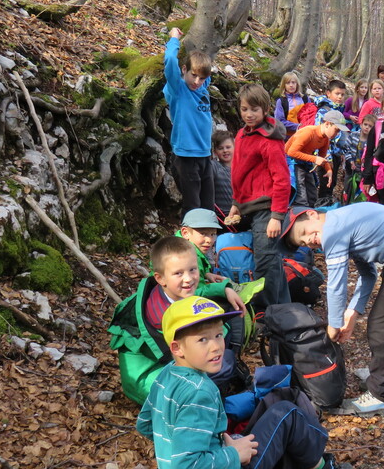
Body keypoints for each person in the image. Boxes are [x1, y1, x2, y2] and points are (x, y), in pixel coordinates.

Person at [137, 296, 354, 469]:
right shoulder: (200, 391)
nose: (216, 346)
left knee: (264, 421)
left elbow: (145, 425)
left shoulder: (166, 375)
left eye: (218, 335)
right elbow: (185, 466)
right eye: (203, 340)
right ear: (177, 348)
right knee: (286, 413)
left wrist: (210, 445)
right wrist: (233, 454)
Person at [281, 203, 384, 417]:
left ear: (312, 214)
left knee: (380, 328)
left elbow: (337, 285)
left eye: (304, 233)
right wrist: (353, 312)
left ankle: (383, 396)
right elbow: (368, 274)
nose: (309, 241)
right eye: (303, 243)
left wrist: (334, 324)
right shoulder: (343, 222)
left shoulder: (333, 230)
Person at [108, 235, 241, 405]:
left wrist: (224, 290)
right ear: (160, 278)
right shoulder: (158, 313)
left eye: (192, 269)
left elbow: (197, 294)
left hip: (164, 365)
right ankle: (199, 404)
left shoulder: (169, 291)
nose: (189, 278)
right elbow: (174, 353)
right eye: (179, 273)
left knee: (221, 334)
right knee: (224, 362)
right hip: (148, 382)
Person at [227, 83, 290, 308]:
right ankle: (283, 307)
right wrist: (236, 202)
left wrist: (277, 216)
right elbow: (239, 172)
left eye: (254, 109)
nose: (249, 114)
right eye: (244, 109)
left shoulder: (269, 139)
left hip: (267, 209)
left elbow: (282, 179)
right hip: (248, 205)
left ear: (265, 109)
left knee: (265, 260)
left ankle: (268, 311)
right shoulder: (242, 135)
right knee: (270, 259)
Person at [176, 209, 248, 355]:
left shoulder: (184, 247)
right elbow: (188, 293)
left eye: (213, 234)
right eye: (203, 233)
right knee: (230, 308)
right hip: (179, 310)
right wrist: (223, 289)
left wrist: (205, 275)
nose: (209, 240)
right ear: (186, 233)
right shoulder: (184, 255)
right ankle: (230, 352)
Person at [164, 27, 215, 217]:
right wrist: (174, 39)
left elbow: (206, 66)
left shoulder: (202, 87)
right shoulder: (178, 89)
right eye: (194, 75)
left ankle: (208, 236)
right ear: (184, 70)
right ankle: (188, 235)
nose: (197, 81)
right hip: (186, 156)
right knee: (193, 206)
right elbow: (170, 61)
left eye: (202, 78)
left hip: (205, 155)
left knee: (208, 206)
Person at [284, 110, 349, 207]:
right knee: (300, 194)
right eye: (336, 130)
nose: (336, 134)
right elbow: (291, 152)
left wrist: (329, 170)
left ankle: (311, 209)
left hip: (305, 163)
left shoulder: (325, 139)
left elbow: (322, 158)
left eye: (339, 131)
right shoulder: (309, 132)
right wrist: (315, 159)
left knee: (312, 193)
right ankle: (299, 211)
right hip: (291, 163)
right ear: (327, 124)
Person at [314, 80, 350, 205]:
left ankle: (328, 204)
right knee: (325, 182)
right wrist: (326, 156)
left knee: (332, 182)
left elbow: (341, 134)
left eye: (342, 94)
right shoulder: (323, 111)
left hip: (336, 153)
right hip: (325, 153)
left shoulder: (339, 110)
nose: (340, 97)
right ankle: (321, 206)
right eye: (337, 94)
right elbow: (321, 135)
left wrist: (342, 152)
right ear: (328, 93)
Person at [274, 72, 310, 138]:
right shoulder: (281, 101)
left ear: (297, 84)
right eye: (288, 83)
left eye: (293, 82)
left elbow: (311, 115)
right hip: (288, 137)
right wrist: (297, 126)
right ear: (284, 85)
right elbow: (279, 121)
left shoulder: (305, 99)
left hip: (305, 135)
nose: (291, 85)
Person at [210, 129, 235, 225]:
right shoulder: (214, 166)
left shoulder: (242, 169)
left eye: (228, 147)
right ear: (215, 152)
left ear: (235, 147)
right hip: (222, 217)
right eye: (220, 148)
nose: (225, 151)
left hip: (240, 214)